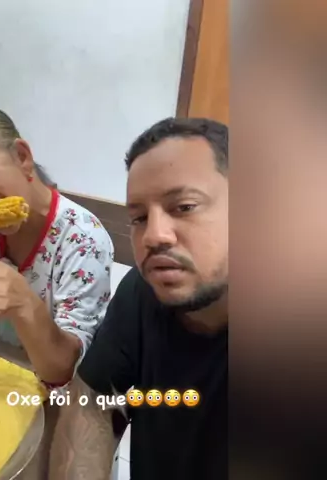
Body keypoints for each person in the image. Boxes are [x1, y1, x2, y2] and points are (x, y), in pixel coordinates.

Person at [50, 118, 228, 479]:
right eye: (139, 217)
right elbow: (94, 400)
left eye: (184, 206)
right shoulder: (144, 289)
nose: (154, 236)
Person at [0, 107, 113, 387]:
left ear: (22, 157)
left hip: (55, 394)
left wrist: (23, 303)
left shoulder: (85, 240)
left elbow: (63, 370)